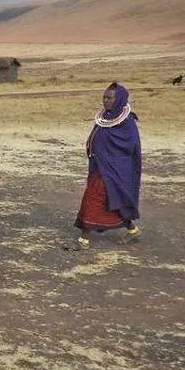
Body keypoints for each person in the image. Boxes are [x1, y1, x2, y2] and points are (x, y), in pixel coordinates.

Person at [69, 83, 142, 251]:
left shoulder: (127, 121)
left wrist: (111, 155)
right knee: (111, 200)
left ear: (120, 99)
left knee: (92, 199)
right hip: (100, 167)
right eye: (104, 97)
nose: (105, 100)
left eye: (109, 98)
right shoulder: (105, 118)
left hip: (114, 169)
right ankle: (133, 230)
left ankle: (84, 240)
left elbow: (130, 145)